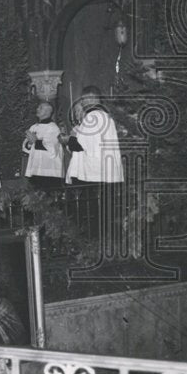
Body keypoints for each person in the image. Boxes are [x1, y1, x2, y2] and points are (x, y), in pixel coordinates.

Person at [62, 85, 125, 251]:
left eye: (83, 100)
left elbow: (79, 146)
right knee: (105, 213)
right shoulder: (107, 118)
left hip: (93, 174)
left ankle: (92, 246)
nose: (82, 103)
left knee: (91, 213)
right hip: (107, 172)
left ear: (90, 99)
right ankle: (108, 246)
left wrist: (67, 140)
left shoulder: (91, 118)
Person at [22, 101, 63, 189]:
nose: (37, 109)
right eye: (38, 107)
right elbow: (26, 148)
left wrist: (36, 141)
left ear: (48, 111)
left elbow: (52, 149)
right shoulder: (34, 127)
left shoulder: (53, 128)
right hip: (36, 168)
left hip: (49, 170)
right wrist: (29, 143)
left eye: (40, 108)